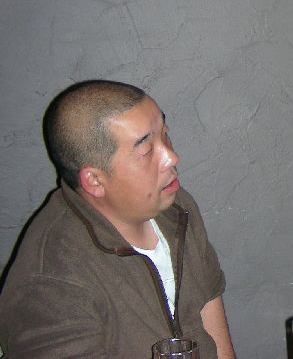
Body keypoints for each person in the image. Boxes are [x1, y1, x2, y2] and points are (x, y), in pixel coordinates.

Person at [0, 80, 236, 358]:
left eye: (165, 134)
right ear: (95, 181)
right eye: (146, 151)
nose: (172, 157)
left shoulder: (177, 208)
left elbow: (218, 341)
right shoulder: (50, 282)